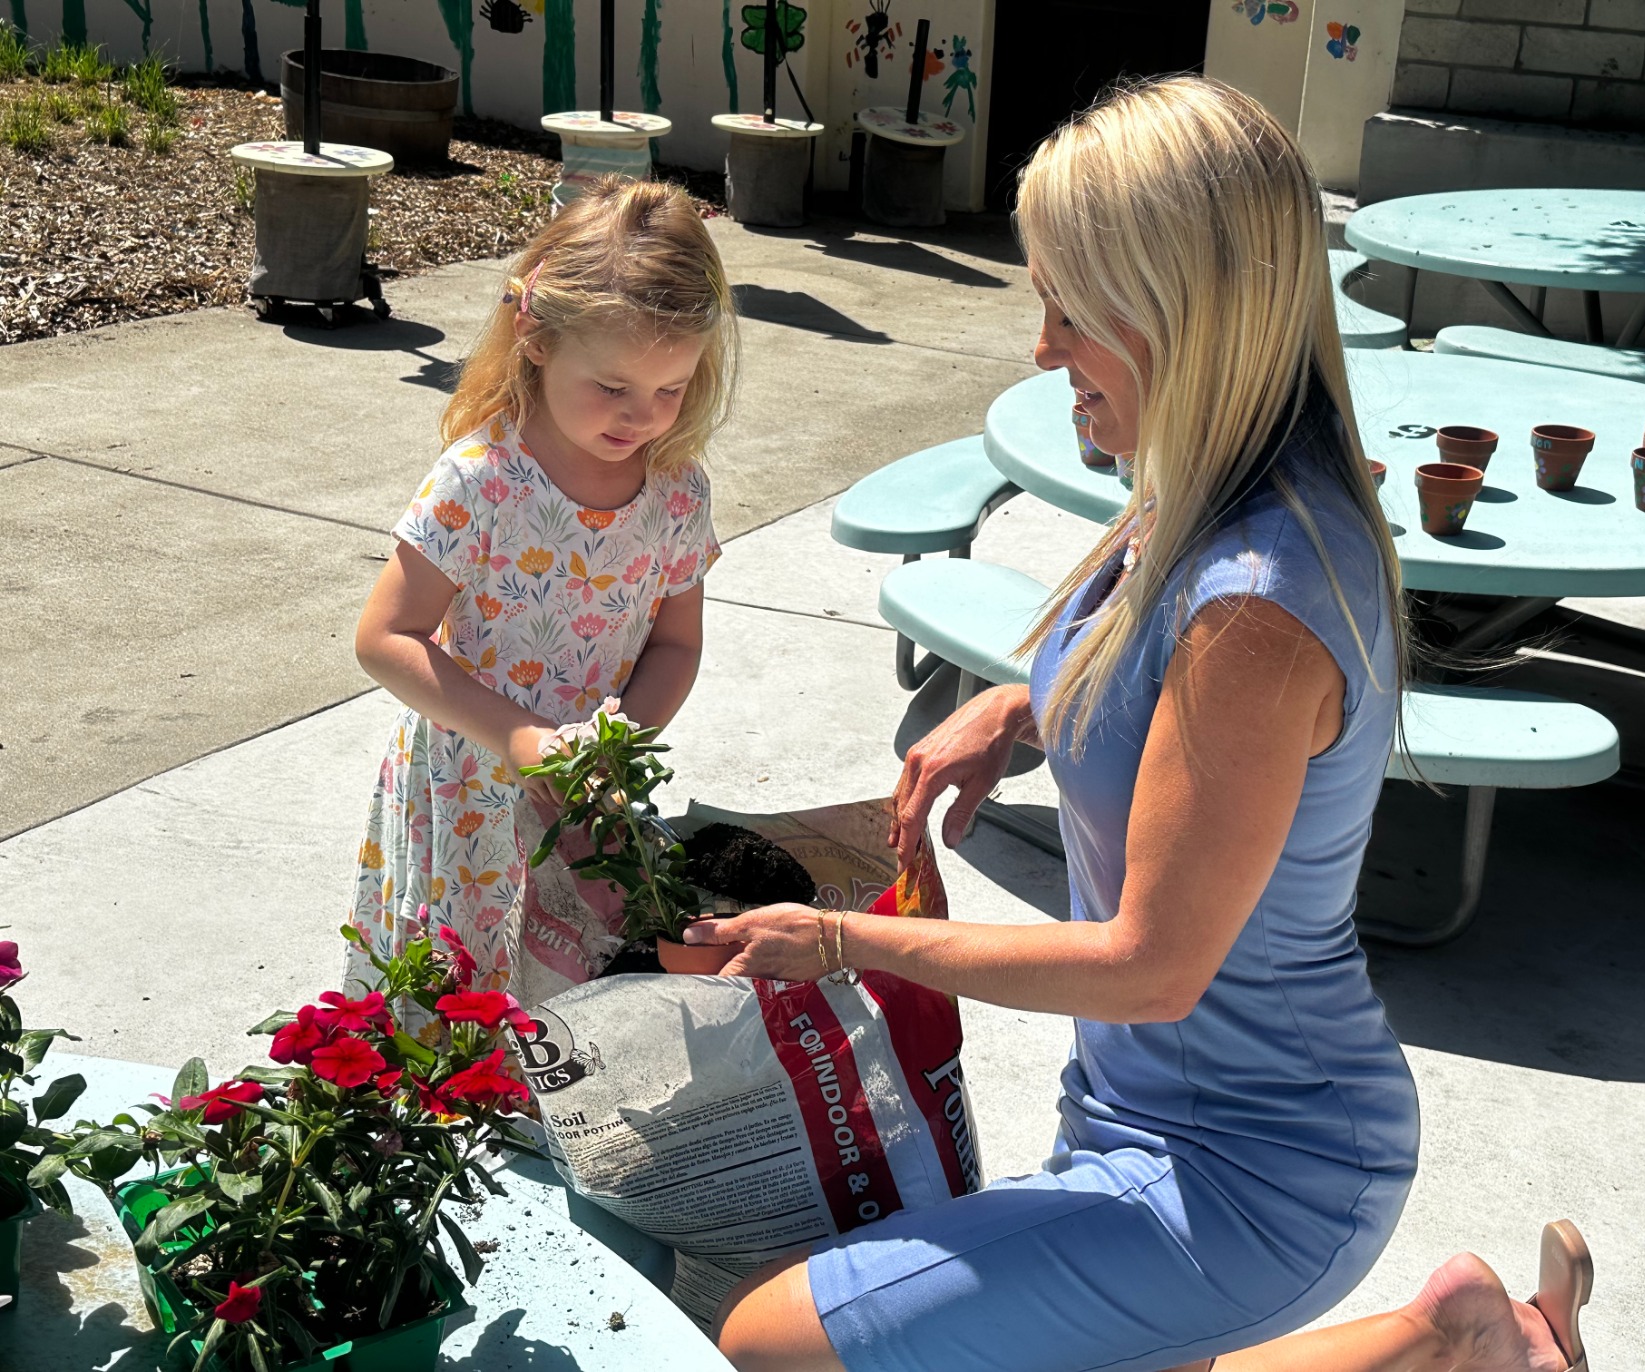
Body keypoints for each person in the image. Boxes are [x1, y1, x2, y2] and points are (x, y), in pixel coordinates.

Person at [679, 76, 1582, 1372]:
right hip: (1146, 1103)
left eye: (1066, 309)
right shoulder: (1210, 476)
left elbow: (1154, 967)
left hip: (1262, 1166)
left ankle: (1456, 1351)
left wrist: (838, 938)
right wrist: (1016, 709)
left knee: (774, 1346)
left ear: (1179, 313)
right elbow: (1149, 683)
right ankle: (1464, 1339)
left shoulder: (1260, 604)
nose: (1041, 348)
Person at [344, 177, 735, 1011]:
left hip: (589, 791)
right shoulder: (482, 482)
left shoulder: (674, 491)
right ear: (536, 335)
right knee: (455, 995)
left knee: (567, 988)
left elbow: (676, 644)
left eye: (670, 390)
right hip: (473, 782)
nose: (642, 416)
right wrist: (520, 737)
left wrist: (615, 750)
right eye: (613, 387)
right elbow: (386, 637)